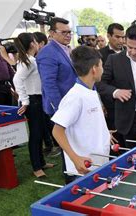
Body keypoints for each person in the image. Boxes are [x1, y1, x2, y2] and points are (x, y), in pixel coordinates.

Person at [51, 46, 110, 182]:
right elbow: (57, 131)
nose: (103, 69)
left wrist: (105, 133)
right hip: (82, 168)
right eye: (101, 65)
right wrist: (75, 158)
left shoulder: (91, 90)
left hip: (97, 163)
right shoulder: (75, 96)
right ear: (94, 69)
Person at [13, 32, 54, 178]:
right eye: (36, 42)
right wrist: (25, 101)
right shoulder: (28, 61)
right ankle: (36, 167)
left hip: (38, 99)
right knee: (36, 135)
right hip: (33, 101)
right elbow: (17, 80)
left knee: (41, 132)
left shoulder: (29, 60)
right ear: (32, 44)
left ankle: (41, 163)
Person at [36, 17, 77, 116]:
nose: (68, 36)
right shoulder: (47, 53)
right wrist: (60, 108)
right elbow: (49, 84)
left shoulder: (66, 49)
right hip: (62, 107)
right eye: (64, 32)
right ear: (52, 33)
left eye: (69, 32)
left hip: (73, 102)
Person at [97, 23, 125, 131]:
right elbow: (96, 82)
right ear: (108, 36)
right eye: (117, 37)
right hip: (109, 105)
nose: (121, 41)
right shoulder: (99, 54)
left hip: (128, 103)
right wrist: (100, 103)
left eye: (123, 37)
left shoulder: (130, 52)